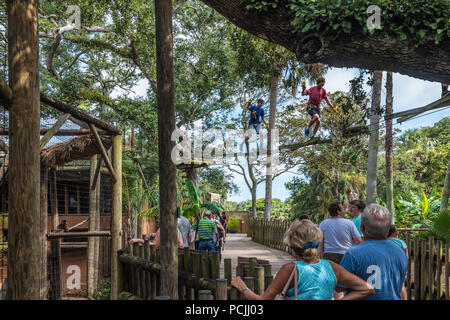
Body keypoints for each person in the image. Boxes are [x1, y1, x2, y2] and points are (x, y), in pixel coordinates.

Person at [230, 219, 374, 300]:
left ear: (291, 245)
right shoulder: (330, 266)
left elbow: (263, 300)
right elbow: (367, 288)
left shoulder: (291, 269)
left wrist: (242, 287)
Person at [339, 204, 408, 300]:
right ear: (388, 229)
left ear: (362, 227)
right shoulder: (400, 253)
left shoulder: (353, 254)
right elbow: (400, 286)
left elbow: (339, 287)